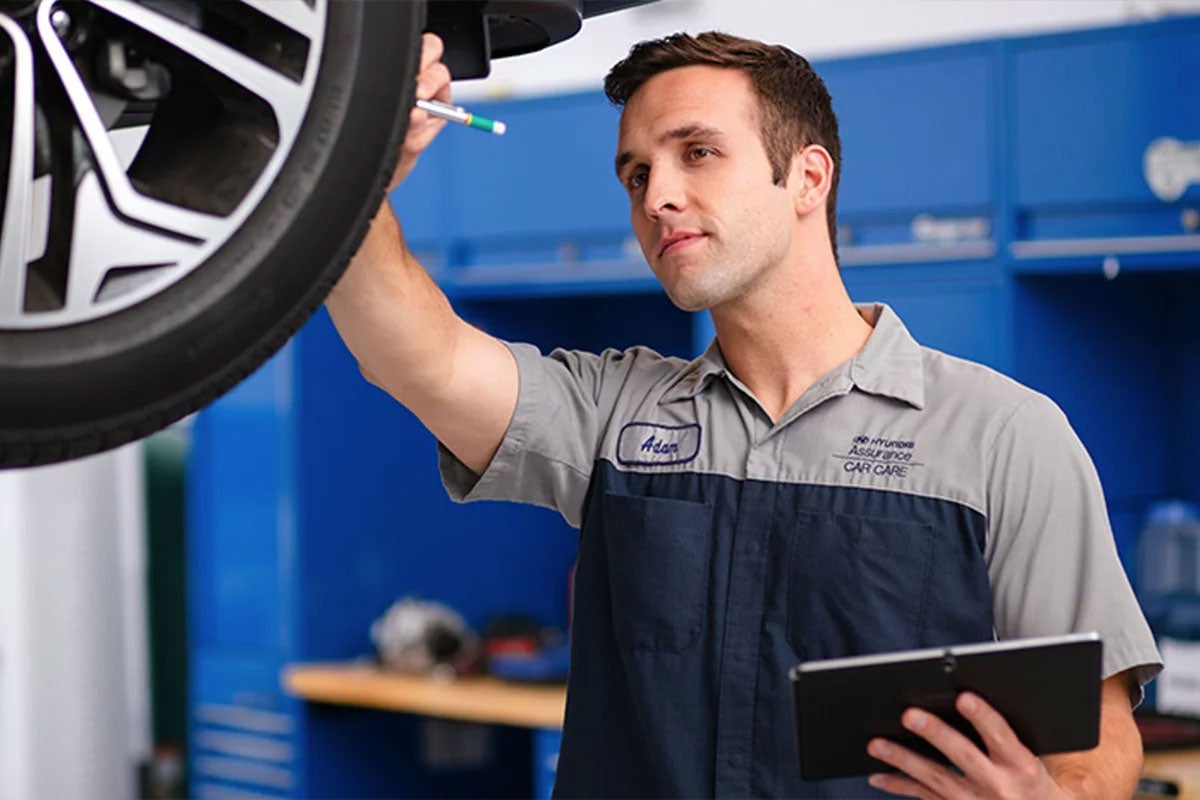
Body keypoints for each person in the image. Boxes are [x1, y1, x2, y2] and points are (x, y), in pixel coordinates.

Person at [326, 29, 1163, 799]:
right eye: (636, 174)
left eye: (698, 153)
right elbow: (411, 356)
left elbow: (1099, 735)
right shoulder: (614, 413)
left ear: (807, 177)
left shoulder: (1000, 436)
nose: (658, 196)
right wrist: (347, 166)